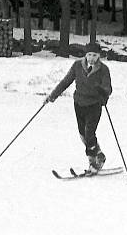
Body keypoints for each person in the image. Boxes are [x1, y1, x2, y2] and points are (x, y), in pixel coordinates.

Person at [46, 42, 112, 173]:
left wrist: (103, 91)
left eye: (94, 55)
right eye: (89, 55)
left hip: (94, 104)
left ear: (99, 56)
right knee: (83, 134)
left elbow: (108, 88)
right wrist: (52, 96)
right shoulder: (77, 65)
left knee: (89, 133)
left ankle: (93, 163)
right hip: (79, 103)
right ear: (85, 55)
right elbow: (66, 81)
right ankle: (99, 155)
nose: (91, 58)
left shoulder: (103, 69)